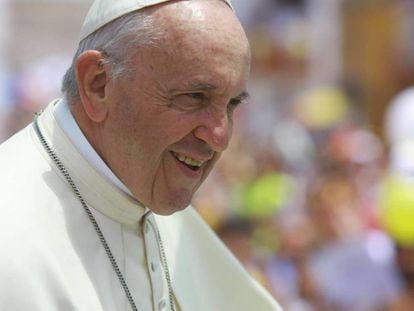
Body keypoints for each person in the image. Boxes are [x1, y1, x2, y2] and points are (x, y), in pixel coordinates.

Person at [0, 0, 281, 310]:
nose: (220, 137)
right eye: (195, 97)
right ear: (98, 84)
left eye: (231, 105)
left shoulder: (154, 200)